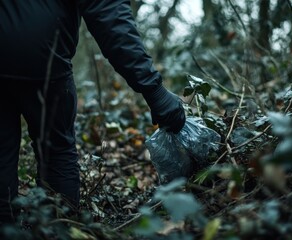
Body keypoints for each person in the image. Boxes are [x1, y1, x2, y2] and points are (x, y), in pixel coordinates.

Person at [0, 0, 186, 224]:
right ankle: (56, 229)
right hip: (42, 56)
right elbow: (107, 11)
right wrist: (154, 90)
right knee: (56, 150)